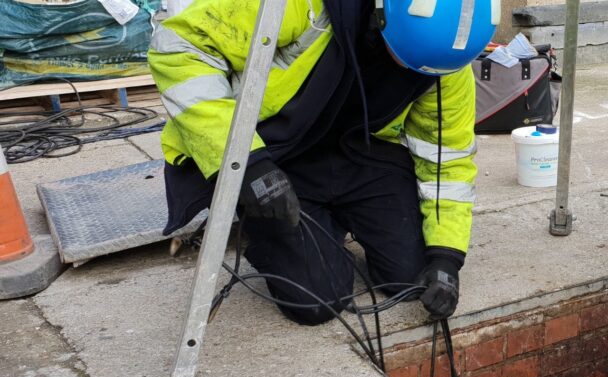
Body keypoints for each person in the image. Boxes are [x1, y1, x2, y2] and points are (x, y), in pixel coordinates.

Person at [149, 0, 499, 325]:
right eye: (406, 58)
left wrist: (446, 256)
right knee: (316, 302)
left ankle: (335, 220)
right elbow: (179, 48)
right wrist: (247, 163)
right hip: (279, 153)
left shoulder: (445, 65)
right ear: (383, 13)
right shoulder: (297, 6)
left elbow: (447, 160)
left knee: (413, 278)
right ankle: (286, 235)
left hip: (359, 150)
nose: (410, 73)